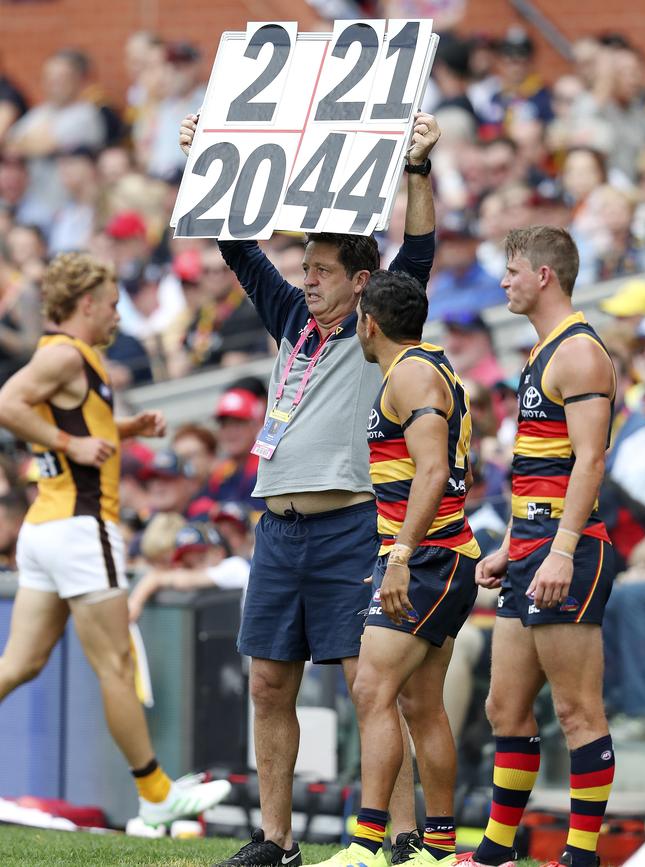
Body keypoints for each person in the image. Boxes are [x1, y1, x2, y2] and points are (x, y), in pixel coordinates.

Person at [179, 111, 440, 867]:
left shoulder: (377, 321)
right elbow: (237, 249)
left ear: (361, 281)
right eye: (306, 268)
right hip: (279, 528)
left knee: (371, 686)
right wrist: (210, 161)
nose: (307, 280)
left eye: (321, 270)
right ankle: (277, 840)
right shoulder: (292, 314)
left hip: (352, 525)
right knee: (267, 683)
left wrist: (416, 169)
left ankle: (394, 839)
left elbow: (418, 252)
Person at [0, 252, 230, 826]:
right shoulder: (66, 354)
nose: (117, 316)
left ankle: (155, 794)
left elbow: (82, 426)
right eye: (109, 304)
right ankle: (156, 795)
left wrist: (124, 429)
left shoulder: (72, 358)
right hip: (81, 528)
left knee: (21, 664)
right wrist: (68, 443)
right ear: (85, 304)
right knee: (117, 666)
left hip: (46, 529)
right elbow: (7, 404)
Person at [312, 270, 480, 867]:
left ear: (369, 323)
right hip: (444, 553)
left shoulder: (408, 373)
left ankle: (366, 845)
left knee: (371, 689)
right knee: (420, 704)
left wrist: (401, 556)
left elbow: (435, 472)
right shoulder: (433, 367)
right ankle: (436, 848)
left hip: (427, 555)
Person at [461, 226, 617, 867]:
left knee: (579, 711)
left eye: (513, 270)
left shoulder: (579, 353)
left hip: (567, 553)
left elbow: (590, 461)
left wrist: (559, 548)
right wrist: (513, 546)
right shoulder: (541, 351)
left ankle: (581, 858)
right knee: (504, 705)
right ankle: (497, 852)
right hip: (528, 545)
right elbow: (542, 467)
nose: (504, 281)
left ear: (545, 275)